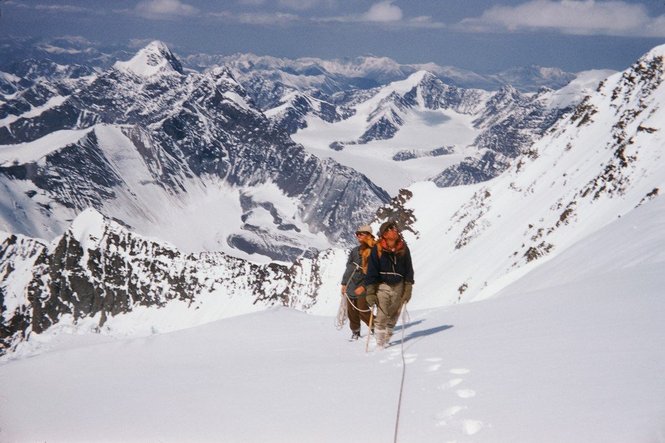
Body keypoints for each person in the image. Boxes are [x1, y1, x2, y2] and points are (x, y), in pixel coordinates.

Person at [364, 221, 414, 348]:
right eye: (391, 228)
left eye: (395, 228)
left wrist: (408, 287)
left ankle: (387, 336)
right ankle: (380, 344)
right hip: (383, 286)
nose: (395, 230)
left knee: (394, 314)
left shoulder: (403, 248)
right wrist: (370, 291)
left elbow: (409, 268)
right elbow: (372, 271)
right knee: (382, 313)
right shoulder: (378, 249)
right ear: (384, 234)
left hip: (399, 285)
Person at [340, 224, 375, 340]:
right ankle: (355, 332)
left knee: (363, 310)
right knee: (352, 312)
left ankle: (377, 327)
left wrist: (364, 287)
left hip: (363, 284)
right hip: (351, 284)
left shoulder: (374, 251)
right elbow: (349, 268)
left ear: (368, 235)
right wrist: (344, 283)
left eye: (361, 234)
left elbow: (374, 272)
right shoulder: (355, 251)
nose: (358, 236)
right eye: (357, 234)